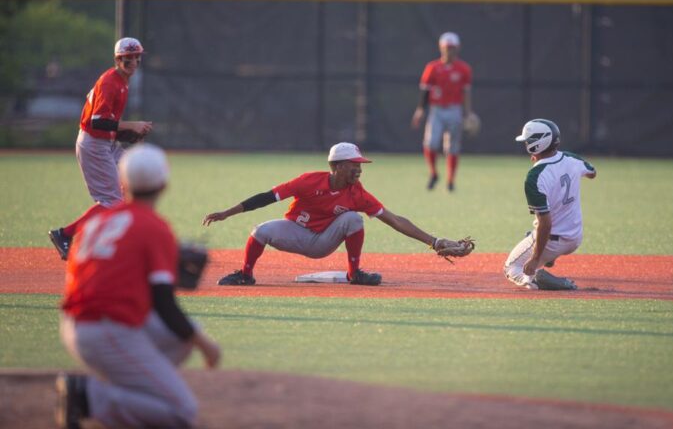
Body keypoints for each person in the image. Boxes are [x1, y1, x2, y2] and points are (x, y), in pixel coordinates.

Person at [56, 143, 221, 429]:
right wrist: (205, 344)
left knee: (178, 340)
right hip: (105, 329)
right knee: (183, 412)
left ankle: (127, 384)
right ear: (164, 183)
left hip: (76, 323)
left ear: (123, 183)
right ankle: (89, 396)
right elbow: (164, 304)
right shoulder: (154, 227)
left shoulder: (95, 224)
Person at [204, 142, 466, 287]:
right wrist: (227, 213)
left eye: (360, 166)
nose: (360, 170)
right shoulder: (309, 181)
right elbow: (266, 197)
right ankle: (246, 275)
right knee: (260, 231)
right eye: (355, 165)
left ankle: (355, 274)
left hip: (324, 241)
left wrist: (434, 242)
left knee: (354, 218)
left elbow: (394, 220)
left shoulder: (357, 193)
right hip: (296, 232)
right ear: (338, 166)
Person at [48, 37, 153, 260]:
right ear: (117, 59)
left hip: (106, 143)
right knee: (111, 202)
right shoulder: (110, 81)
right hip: (93, 145)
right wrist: (132, 125)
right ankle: (64, 234)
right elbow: (97, 121)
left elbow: (109, 125)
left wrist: (131, 135)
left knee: (131, 185)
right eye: (127, 58)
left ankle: (118, 239)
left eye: (136, 57)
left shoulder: (122, 81)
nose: (133, 61)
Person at [503, 119, 597, 290]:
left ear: (537, 144)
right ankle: (548, 257)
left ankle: (548, 281)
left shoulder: (535, 177)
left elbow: (545, 224)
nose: (526, 143)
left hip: (552, 239)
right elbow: (592, 172)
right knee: (530, 235)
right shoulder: (571, 158)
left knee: (511, 268)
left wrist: (535, 258)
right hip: (575, 237)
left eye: (528, 140)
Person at [411, 31, 476, 192]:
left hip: (454, 109)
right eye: (447, 47)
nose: (449, 51)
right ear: (441, 48)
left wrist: (467, 113)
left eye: (452, 48)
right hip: (437, 110)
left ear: (457, 48)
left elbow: (466, 92)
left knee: (452, 147)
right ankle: (434, 173)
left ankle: (451, 180)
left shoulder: (464, 69)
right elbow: (425, 91)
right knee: (431, 143)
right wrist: (420, 110)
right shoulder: (432, 67)